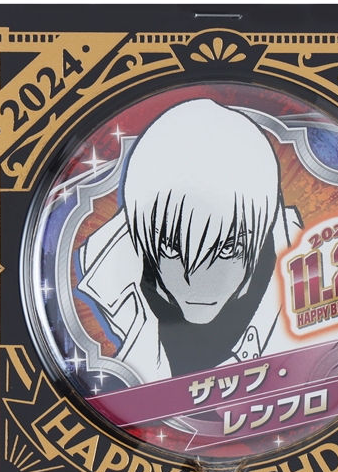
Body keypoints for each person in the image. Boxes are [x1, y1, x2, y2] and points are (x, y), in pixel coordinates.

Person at [77, 98, 302, 382]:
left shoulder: (316, 301)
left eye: (228, 249)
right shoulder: (112, 280)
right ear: (144, 236)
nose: (198, 282)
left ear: (262, 231)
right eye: (172, 248)